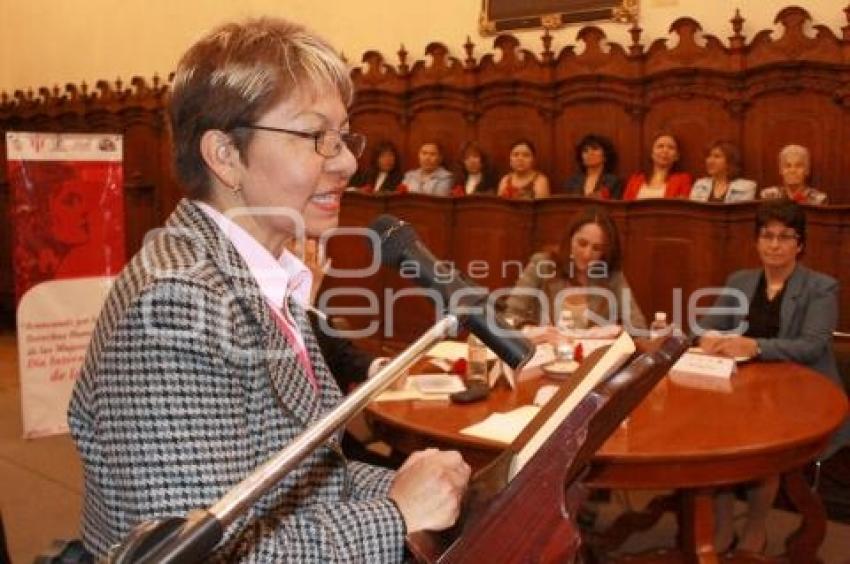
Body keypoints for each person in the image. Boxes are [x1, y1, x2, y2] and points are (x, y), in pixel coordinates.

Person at [67, 18, 470, 562]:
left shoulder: (257, 274)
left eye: (344, 135)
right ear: (225, 155)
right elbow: (202, 554)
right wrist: (396, 512)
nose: (348, 161)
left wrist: (423, 483)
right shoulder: (174, 303)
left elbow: (296, 485)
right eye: (315, 136)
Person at [696, 199, 848, 554]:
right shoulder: (741, 280)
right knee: (712, 440)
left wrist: (754, 347)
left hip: (799, 392)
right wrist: (705, 337)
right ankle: (720, 527)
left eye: (784, 236)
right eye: (766, 236)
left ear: (800, 244)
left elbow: (811, 346)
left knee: (763, 445)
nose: (774, 244)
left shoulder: (821, 287)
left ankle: (755, 527)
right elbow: (706, 326)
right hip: (741, 388)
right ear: (757, 241)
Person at [503, 206, 646, 333]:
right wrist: (535, 332)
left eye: (597, 248)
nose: (587, 254)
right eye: (582, 243)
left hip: (592, 358)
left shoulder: (611, 275)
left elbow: (638, 327)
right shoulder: (543, 264)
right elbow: (510, 316)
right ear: (570, 239)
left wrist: (613, 331)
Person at [622, 132, 691, 200]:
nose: (665, 150)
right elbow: (625, 207)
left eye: (671, 147)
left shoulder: (683, 180)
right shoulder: (635, 180)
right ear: (652, 154)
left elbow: (681, 208)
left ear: (677, 156)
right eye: (660, 146)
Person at [689, 141, 756, 203]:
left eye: (717, 156)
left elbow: (742, 214)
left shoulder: (747, 187)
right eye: (708, 156)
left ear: (730, 161)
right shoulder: (700, 185)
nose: (710, 161)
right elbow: (693, 212)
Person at [759, 144, 827, 204]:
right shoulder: (767, 196)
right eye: (788, 166)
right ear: (781, 170)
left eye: (798, 166)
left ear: (807, 170)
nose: (792, 170)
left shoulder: (819, 200)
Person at [563, 134, 622, 199]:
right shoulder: (572, 181)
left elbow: (615, 207)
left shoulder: (613, 181)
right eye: (585, 151)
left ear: (605, 156)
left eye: (595, 149)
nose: (590, 153)